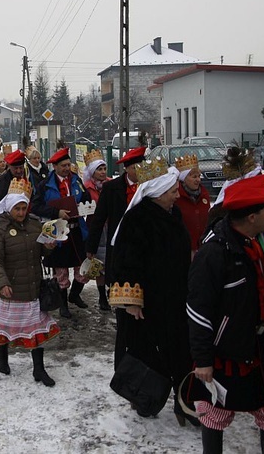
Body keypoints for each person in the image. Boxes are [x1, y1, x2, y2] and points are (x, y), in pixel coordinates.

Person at [187, 173, 264, 453]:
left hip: (260, 347)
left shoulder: (260, 242)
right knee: (215, 414)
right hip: (227, 351)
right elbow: (198, 309)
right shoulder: (214, 254)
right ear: (251, 217)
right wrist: (203, 360)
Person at [109, 158, 194, 425]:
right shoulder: (138, 219)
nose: (177, 195)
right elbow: (126, 263)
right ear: (157, 193)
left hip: (175, 297)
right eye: (172, 192)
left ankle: (186, 404)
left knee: (180, 351)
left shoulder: (174, 214)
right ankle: (144, 398)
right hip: (146, 304)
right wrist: (133, 303)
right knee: (146, 353)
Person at [0, 177, 60, 386]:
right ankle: (3, 355)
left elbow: (40, 251)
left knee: (37, 332)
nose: (21, 213)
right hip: (11, 287)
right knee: (6, 327)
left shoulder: (35, 224)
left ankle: (39, 369)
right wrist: (1, 283)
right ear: (9, 207)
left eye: (24, 208)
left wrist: (49, 246)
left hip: (33, 287)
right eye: (17, 208)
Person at [86, 146, 145, 367]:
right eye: (135, 166)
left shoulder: (149, 186)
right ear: (127, 169)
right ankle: (121, 362)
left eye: (142, 165)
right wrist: (91, 247)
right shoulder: (112, 188)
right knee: (122, 310)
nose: (140, 170)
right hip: (119, 252)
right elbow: (99, 218)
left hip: (143, 252)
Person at [31, 147, 91, 318]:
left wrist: (84, 206)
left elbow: (86, 197)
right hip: (57, 230)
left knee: (83, 268)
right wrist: (56, 212)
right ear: (55, 166)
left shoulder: (76, 180)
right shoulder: (45, 185)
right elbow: (35, 207)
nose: (66, 168)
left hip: (77, 230)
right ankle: (63, 305)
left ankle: (75, 295)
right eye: (63, 165)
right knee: (61, 271)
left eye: (68, 165)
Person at [81, 149, 112, 311]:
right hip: (95, 228)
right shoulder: (86, 187)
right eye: (99, 169)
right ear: (93, 171)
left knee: (111, 262)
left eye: (104, 169)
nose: (102, 172)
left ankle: (112, 292)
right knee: (99, 265)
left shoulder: (111, 184)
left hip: (111, 226)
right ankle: (102, 297)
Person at [174, 153, 210, 255]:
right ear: (184, 178)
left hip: (204, 247)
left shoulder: (204, 194)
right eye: (194, 176)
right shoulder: (176, 197)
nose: (198, 180)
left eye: (199, 176)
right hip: (184, 249)